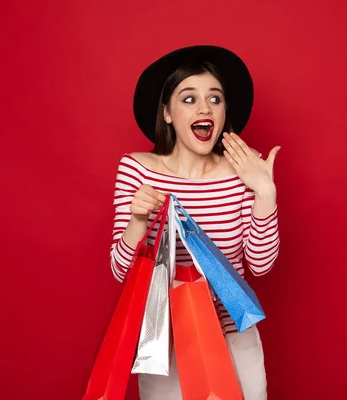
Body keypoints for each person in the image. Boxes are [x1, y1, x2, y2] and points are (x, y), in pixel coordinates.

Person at [109, 45, 280, 400]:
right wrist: (138, 221)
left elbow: (260, 267)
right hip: (165, 343)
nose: (205, 108)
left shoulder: (244, 171)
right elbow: (120, 273)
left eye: (215, 99)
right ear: (167, 113)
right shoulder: (137, 169)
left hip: (233, 337)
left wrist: (265, 193)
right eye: (189, 99)